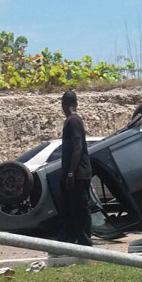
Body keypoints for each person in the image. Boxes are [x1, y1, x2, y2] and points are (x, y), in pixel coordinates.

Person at [57, 90, 93, 246]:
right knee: (70, 210)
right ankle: (70, 240)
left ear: (64, 105)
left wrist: (71, 173)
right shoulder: (75, 121)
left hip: (78, 174)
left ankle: (85, 243)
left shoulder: (73, 121)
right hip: (76, 173)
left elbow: (77, 147)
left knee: (80, 210)